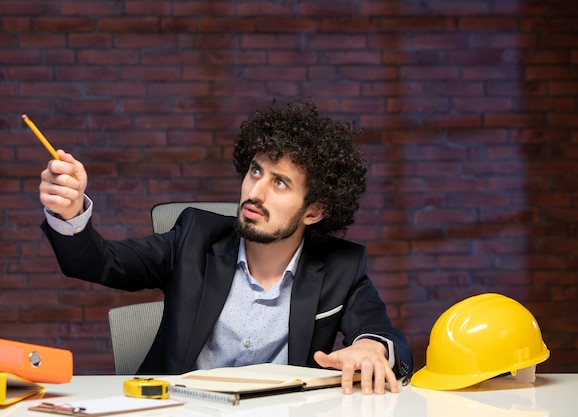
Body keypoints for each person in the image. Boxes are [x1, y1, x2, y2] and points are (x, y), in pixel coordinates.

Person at [39, 98, 413, 395]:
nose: (254, 192)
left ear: (313, 211)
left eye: (279, 183)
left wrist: (371, 348)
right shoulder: (193, 237)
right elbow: (99, 263)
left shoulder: (340, 266)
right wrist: (68, 212)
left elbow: (382, 332)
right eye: (255, 171)